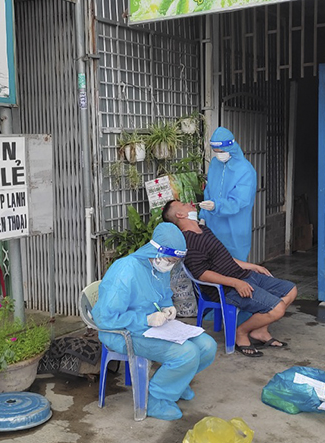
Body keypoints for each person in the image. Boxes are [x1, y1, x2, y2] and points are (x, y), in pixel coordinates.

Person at [92, 223, 217, 420]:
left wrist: (168, 306)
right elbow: (105, 318)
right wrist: (145, 319)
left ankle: (177, 383)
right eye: (170, 259)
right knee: (187, 353)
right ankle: (156, 399)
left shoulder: (160, 268)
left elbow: (163, 294)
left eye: (175, 260)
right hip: (121, 332)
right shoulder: (126, 270)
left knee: (207, 345)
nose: (171, 264)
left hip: (152, 328)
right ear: (156, 250)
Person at [163, 200, 297, 358]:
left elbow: (225, 257)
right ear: (180, 214)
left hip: (243, 276)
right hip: (225, 288)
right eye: (184, 204)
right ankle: (241, 333)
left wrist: (251, 266)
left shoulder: (203, 229)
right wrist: (235, 283)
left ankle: (260, 331)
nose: (189, 204)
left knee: (290, 290)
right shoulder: (189, 240)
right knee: (278, 309)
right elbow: (201, 274)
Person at [199, 127, 257, 261]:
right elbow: (208, 191)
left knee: (234, 266)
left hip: (234, 228)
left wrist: (216, 206)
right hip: (213, 226)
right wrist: (203, 216)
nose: (219, 155)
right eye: (216, 152)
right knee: (215, 265)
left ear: (231, 147)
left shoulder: (245, 170)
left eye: (222, 151)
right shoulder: (215, 164)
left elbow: (239, 201)